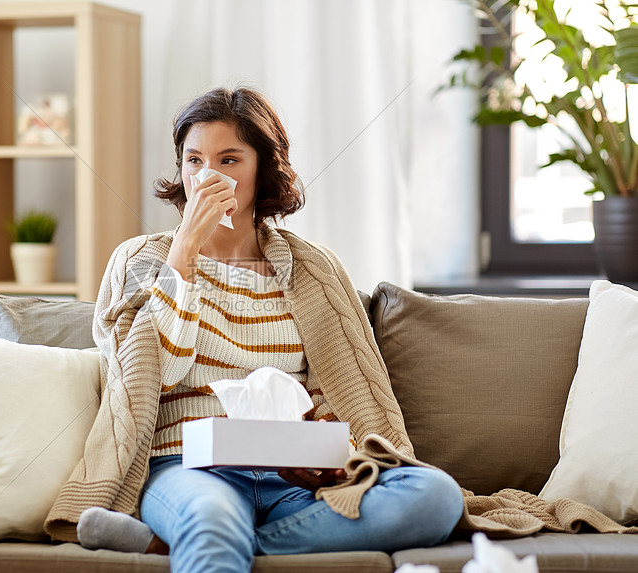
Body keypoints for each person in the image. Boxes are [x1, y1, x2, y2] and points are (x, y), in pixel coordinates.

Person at [49, 87, 464, 572]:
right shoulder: (140, 260)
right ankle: (203, 534)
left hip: (291, 481)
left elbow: (331, 394)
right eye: (194, 160)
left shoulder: (314, 270)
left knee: (433, 496)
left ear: (261, 169)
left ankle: (167, 544)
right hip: (189, 467)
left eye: (228, 160)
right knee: (211, 517)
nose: (208, 176)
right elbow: (156, 372)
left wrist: (328, 456)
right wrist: (185, 250)